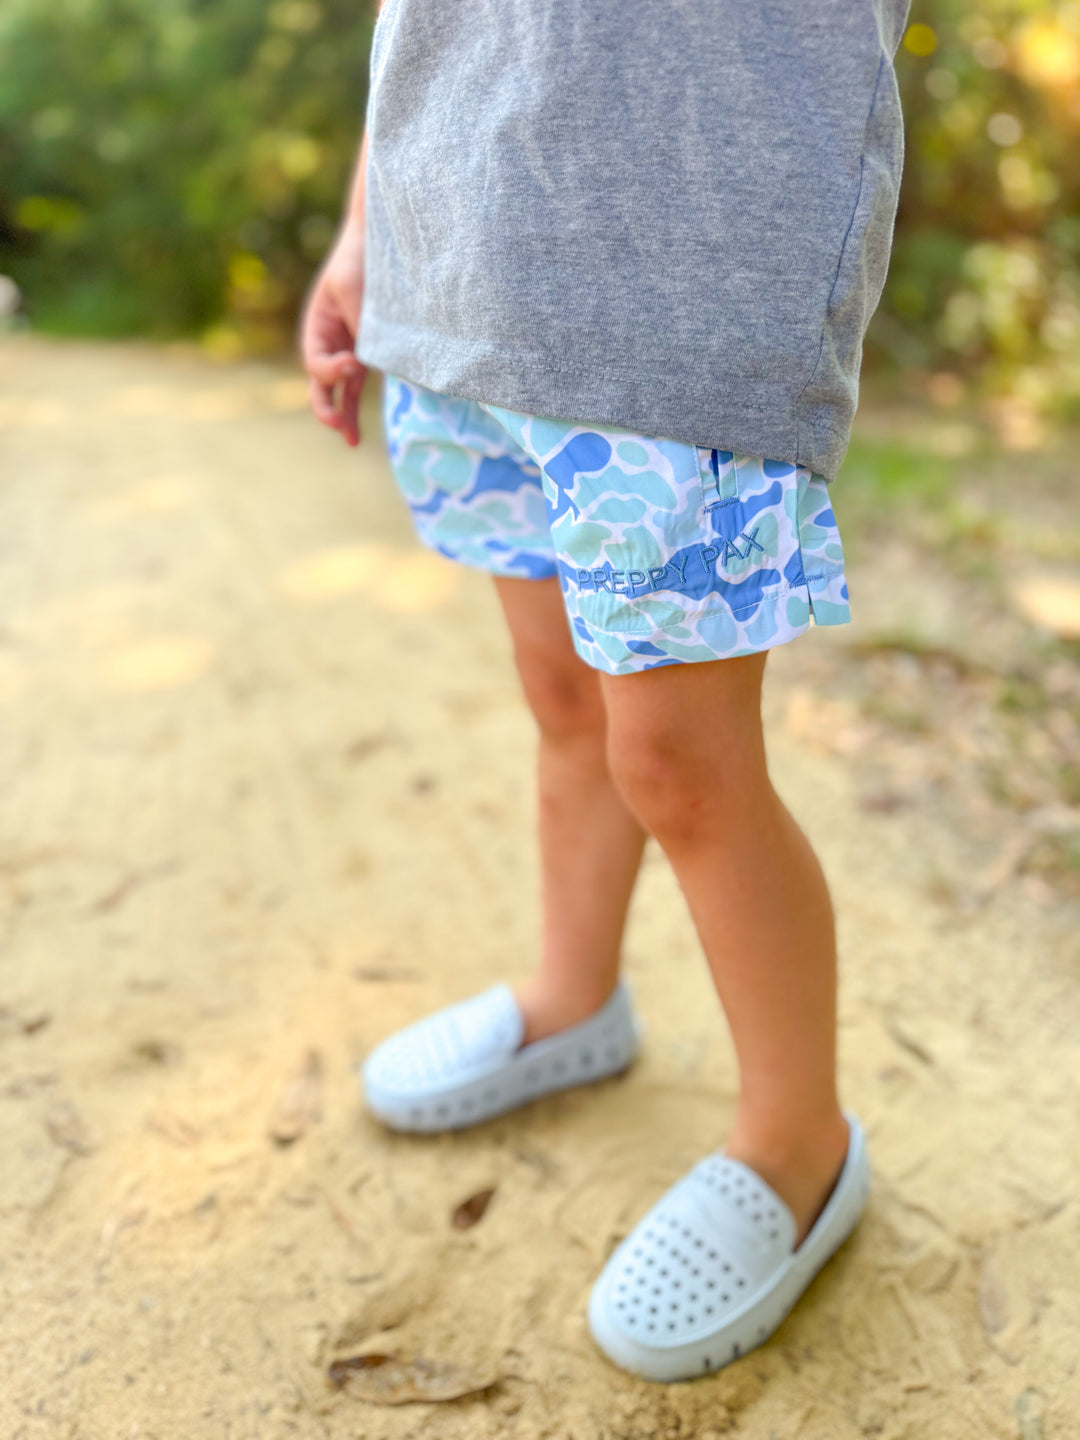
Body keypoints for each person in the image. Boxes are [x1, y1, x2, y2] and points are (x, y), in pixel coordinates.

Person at [300, 0, 910, 1383]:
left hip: (688, 272)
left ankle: (799, 1144)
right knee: (561, 695)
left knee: (682, 763)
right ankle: (573, 997)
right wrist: (366, 225)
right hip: (457, 254)